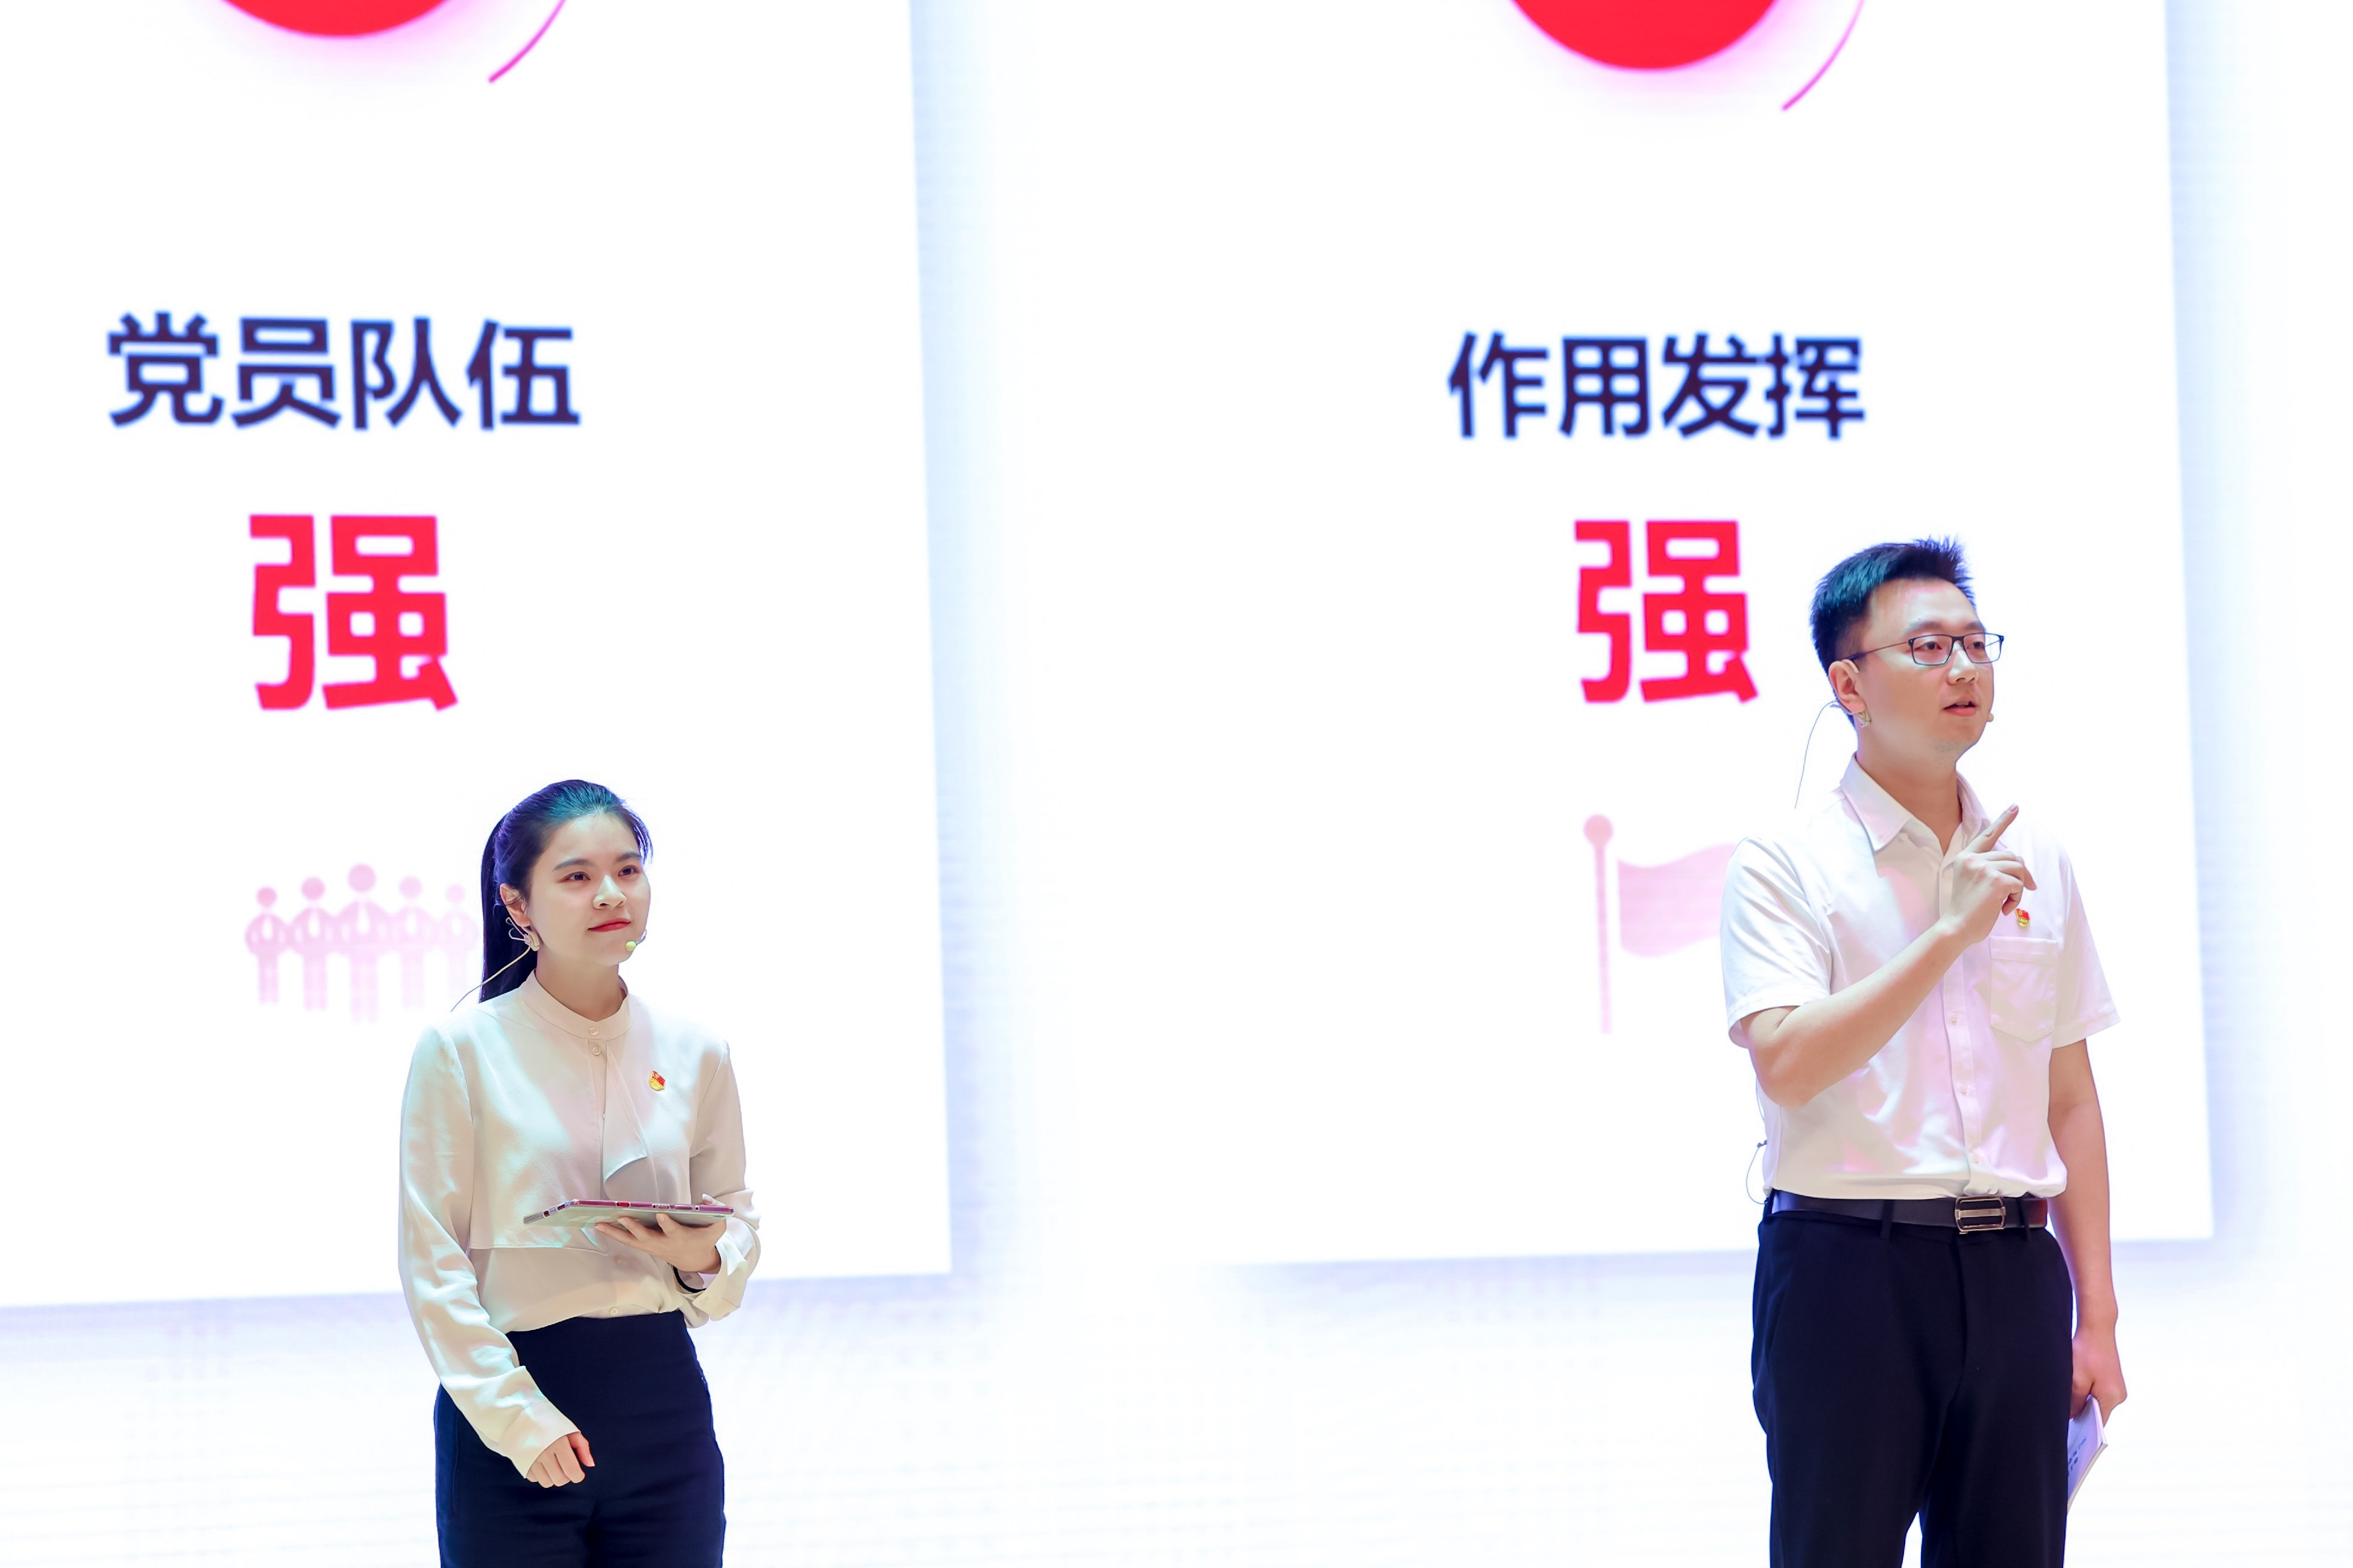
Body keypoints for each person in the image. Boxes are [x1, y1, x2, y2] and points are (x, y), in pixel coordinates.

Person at [1720, 540, 2125, 1567]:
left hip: (2015, 1271)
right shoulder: (1786, 861)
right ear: (1849, 685)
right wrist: (1945, 933)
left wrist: (2098, 1314)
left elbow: (2070, 1099)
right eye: (1929, 646)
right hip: (1849, 1267)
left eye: (1977, 644)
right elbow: (1787, 1062)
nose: (1964, 668)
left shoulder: (2037, 857)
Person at [399, 780, 759, 1567]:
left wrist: (700, 1255)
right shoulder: (460, 1050)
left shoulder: (697, 1050)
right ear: (517, 905)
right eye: (576, 875)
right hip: (516, 1411)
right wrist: (518, 1420)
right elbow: (432, 1262)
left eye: (628, 870)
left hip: (663, 1404)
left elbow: (735, 1224)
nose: (610, 894)